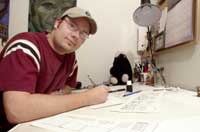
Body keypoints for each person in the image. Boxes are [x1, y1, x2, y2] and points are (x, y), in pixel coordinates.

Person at [0, 7, 109, 131]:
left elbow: (68, 87)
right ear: (57, 23)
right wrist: (87, 97)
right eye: (72, 26)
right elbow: (17, 110)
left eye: (83, 33)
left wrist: (56, 96)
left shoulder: (71, 59)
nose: (76, 35)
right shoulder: (26, 46)